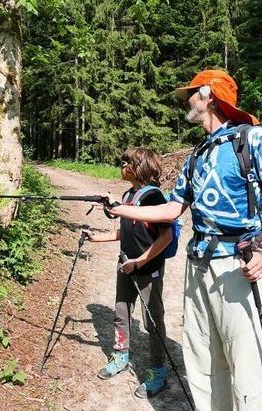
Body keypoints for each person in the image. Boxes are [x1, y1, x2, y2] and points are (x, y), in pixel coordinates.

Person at [106, 70, 262, 411]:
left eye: (190, 94)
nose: (185, 101)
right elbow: (172, 209)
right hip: (198, 265)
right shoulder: (197, 154)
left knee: (247, 359)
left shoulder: (252, 139)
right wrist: (122, 209)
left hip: (239, 266)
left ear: (209, 97)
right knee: (203, 356)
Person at [88, 147, 174, 399]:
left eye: (126, 162)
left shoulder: (153, 197)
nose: (121, 165)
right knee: (121, 313)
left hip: (147, 269)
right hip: (125, 264)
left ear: (138, 168)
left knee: (152, 320)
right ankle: (120, 357)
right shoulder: (128, 194)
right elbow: (125, 231)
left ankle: (158, 371)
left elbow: (166, 236)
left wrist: (138, 262)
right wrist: (97, 238)